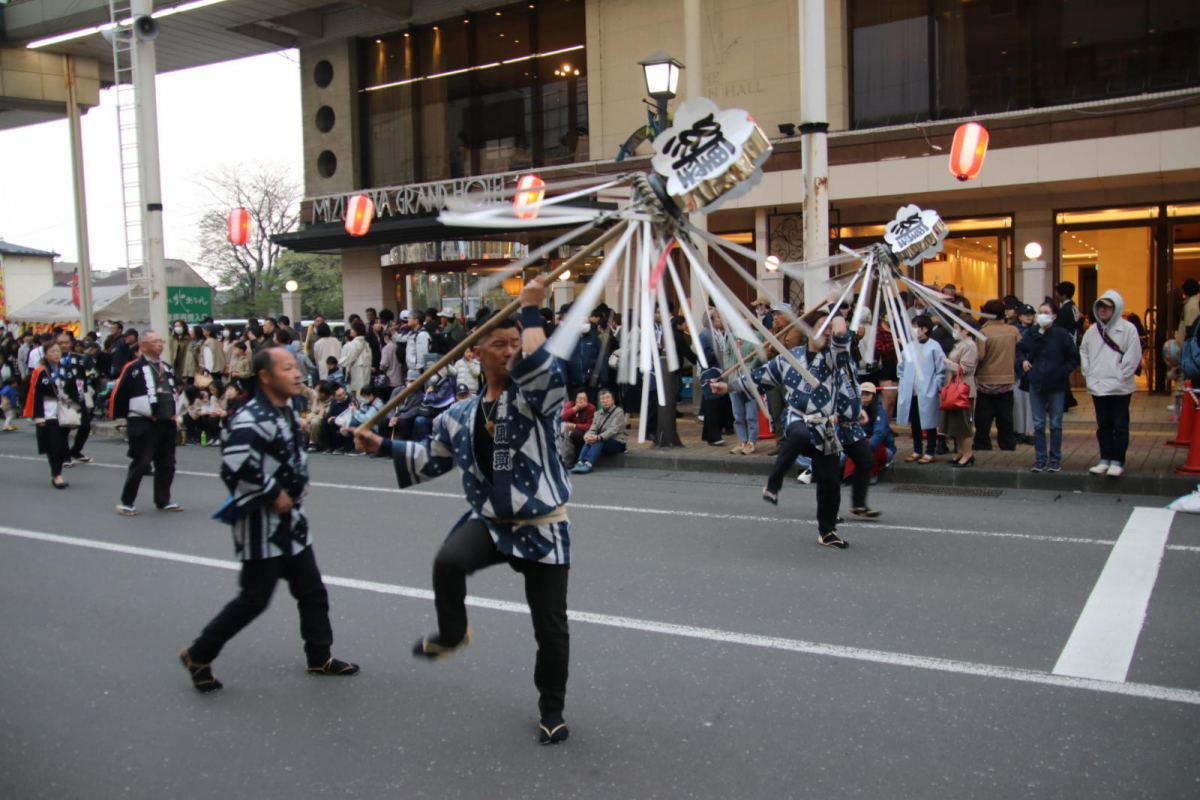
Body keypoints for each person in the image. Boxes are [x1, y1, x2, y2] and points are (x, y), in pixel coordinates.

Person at [353, 278, 575, 746]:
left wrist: (532, 311)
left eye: (517, 342)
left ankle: (550, 709)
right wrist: (380, 443)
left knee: (550, 630)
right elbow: (431, 458)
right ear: (475, 352)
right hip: (492, 524)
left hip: (540, 528)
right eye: (500, 343)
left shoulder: (537, 400)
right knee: (448, 561)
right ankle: (453, 632)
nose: (511, 350)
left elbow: (542, 369)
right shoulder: (459, 413)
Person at [179, 347, 359, 694]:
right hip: (261, 525)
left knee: (312, 591)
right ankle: (199, 654)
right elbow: (235, 466)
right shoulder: (248, 418)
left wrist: (297, 482)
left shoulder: (285, 412)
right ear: (265, 376)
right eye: (287, 368)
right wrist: (272, 492)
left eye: (296, 368)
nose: (296, 374)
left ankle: (319, 655)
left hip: (291, 523)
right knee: (254, 599)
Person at [712, 306, 875, 549]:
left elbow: (842, 338)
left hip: (825, 426)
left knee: (830, 482)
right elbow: (760, 377)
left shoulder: (833, 358)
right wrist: (729, 386)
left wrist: (835, 308)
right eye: (823, 327)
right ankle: (774, 482)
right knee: (799, 435)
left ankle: (827, 531)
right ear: (809, 330)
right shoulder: (789, 358)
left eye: (831, 328)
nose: (828, 332)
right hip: (798, 419)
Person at [111, 330, 182, 516]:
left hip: (166, 421)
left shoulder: (167, 367)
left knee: (167, 463)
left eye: (161, 341)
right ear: (143, 346)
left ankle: (163, 500)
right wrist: (122, 416)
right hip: (143, 421)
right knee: (142, 462)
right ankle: (127, 501)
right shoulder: (133, 368)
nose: (160, 344)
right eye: (155, 341)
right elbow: (120, 393)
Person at [1080, 290, 1141, 478]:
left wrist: (1122, 374)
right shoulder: (1092, 330)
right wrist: (1088, 373)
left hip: (1120, 386)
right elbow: (1084, 351)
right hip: (1098, 385)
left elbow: (1134, 354)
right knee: (1103, 424)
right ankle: (1105, 459)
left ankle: (1117, 461)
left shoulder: (1128, 329)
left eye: (1107, 306)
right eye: (1100, 306)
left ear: (1116, 307)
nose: (1103, 310)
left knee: (1120, 424)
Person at [1018, 302, 1079, 472]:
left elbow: (1073, 357)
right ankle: (1040, 458)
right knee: (1038, 424)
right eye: (1040, 312)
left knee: (1055, 423)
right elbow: (1020, 349)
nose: (1042, 315)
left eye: (1046, 312)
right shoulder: (1032, 332)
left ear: (1054, 316)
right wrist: (1023, 361)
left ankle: (1055, 459)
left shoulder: (1062, 335)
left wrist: (1063, 371)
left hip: (1057, 384)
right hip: (1036, 382)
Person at [972, 299, 1021, 452]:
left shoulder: (984, 332)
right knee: (1005, 416)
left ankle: (982, 443)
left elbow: (979, 356)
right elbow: (1020, 350)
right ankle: (1007, 444)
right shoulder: (1013, 331)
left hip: (986, 381)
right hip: (1007, 380)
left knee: (984, 417)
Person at [897, 315, 946, 464]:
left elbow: (941, 368)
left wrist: (937, 385)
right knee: (915, 422)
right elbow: (901, 367)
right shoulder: (910, 346)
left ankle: (931, 451)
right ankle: (917, 450)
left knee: (929, 422)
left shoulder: (934, 346)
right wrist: (903, 382)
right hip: (911, 391)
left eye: (916, 326)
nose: (913, 330)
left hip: (927, 391)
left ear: (925, 329)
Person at [24, 342, 73, 489]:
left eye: (58, 351)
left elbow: (74, 392)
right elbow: (35, 394)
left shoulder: (66, 369)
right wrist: (38, 416)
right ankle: (57, 475)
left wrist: (77, 409)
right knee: (54, 445)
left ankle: (58, 470)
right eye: (52, 352)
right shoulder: (40, 371)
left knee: (63, 443)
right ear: (45, 354)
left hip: (64, 410)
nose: (56, 354)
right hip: (48, 411)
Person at [940, 320, 979, 468]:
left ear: (966, 331)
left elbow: (965, 368)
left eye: (957, 328)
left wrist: (947, 362)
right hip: (954, 389)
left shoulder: (969, 346)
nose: (954, 330)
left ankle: (968, 454)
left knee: (964, 424)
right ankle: (961, 452)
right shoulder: (961, 344)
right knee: (956, 424)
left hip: (964, 391)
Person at [842, 382, 894, 485]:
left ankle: (871, 475)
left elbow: (880, 433)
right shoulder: (854, 409)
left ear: (873, 396)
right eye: (861, 394)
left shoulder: (879, 410)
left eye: (867, 394)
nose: (864, 397)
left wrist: (865, 448)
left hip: (883, 449)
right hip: (860, 445)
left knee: (866, 443)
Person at [570, 388, 627, 474]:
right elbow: (593, 428)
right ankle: (580, 462)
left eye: (607, 398)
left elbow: (613, 430)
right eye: (602, 398)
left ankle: (588, 463)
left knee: (598, 441)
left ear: (613, 400)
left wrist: (598, 437)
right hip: (602, 439)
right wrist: (587, 436)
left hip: (617, 442)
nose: (605, 400)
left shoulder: (619, 412)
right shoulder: (597, 413)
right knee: (590, 439)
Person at [723, 330, 761, 455]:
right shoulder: (732, 336)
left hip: (750, 379)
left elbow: (760, 353)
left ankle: (751, 441)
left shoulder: (757, 335)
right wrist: (729, 368)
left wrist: (751, 367)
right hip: (734, 378)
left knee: (751, 413)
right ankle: (741, 440)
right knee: (738, 413)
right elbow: (727, 353)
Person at [1012, 304, 1037, 445]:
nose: (1029, 316)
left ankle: (1030, 432)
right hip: (1017, 371)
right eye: (1026, 314)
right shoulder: (1014, 330)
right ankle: (1019, 431)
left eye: (1031, 314)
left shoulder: (1037, 330)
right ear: (1019, 316)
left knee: (1031, 403)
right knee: (1018, 403)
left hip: (1033, 370)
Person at [1054, 281, 1082, 410]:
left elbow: (1058, 328)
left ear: (1063, 294)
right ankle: (1068, 400)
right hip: (1073, 342)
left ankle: (1064, 402)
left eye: (1058, 293)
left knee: (1061, 374)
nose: (1057, 295)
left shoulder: (1064, 310)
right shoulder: (1074, 307)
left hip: (1065, 345)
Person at [558, 390, 595, 468]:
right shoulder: (569, 405)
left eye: (584, 399)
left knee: (569, 433)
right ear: (575, 399)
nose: (582, 401)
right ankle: (566, 459)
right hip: (567, 431)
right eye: (580, 398)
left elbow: (590, 426)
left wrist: (575, 426)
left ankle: (567, 460)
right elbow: (562, 418)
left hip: (584, 433)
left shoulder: (591, 408)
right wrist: (575, 409)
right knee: (564, 428)